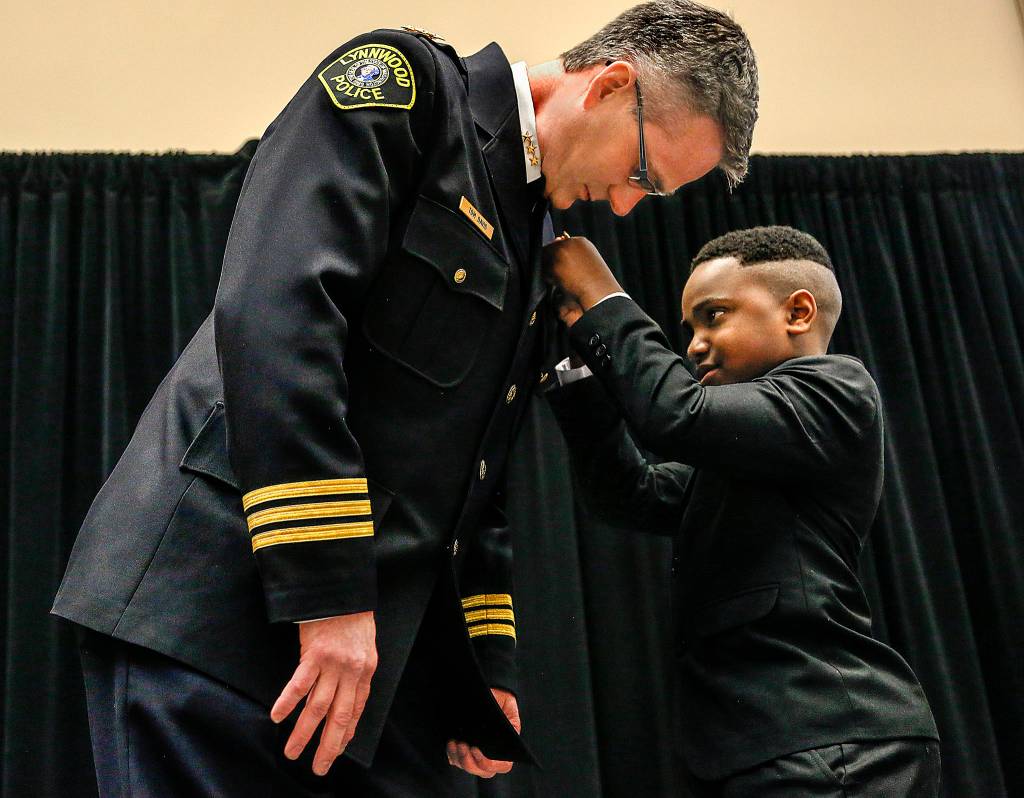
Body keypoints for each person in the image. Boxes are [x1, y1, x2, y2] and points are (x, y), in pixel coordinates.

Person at [51, 3, 758, 795]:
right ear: (609, 85)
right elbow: (279, 317)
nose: (624, 204)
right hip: (226, 604)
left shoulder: (534, 228)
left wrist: (480, 667)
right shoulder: (408, 90)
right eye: (642, 175)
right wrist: (326, 587)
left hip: (367, 650)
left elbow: (475, 472)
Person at [543, 227, 941, 797]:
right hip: (765, 746)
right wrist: (574, 370)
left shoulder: (838, 388)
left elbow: (678, 413)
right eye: (691, 329)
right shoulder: (748, 459)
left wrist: (601, 294)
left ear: (798, 312)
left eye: (715, 316)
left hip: (828, 739)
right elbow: (630, 493)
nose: (695, 345)